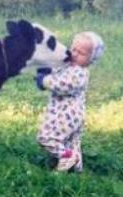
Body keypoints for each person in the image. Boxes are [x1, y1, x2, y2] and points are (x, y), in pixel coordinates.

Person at [36, 32, 105, 172]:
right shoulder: (69, 65)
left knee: (46, 138)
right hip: (71, 114)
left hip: (67, 114)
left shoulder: (80, 73)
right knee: (71, 141)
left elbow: (62, 85)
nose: (75, 54)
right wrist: (47, 69)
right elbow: (57, 68)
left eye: (82, 53)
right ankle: (75, 170)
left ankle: (68, 156)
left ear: (91, 59)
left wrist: (44, 81)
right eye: (74, 49)